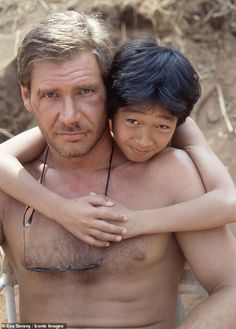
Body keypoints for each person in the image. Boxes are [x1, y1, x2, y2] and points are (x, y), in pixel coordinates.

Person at [0, 11, 236, 328]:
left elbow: (231, 287)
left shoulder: (169, 175)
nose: (69, 116)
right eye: (50, 95)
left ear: (110, 91)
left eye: (85, 91)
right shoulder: (14, 182)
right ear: (27, 97)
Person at [0, 44, 236, 246]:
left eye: (162, 127)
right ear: (110, 108)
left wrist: (139, 221)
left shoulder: (176, 121)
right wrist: (61, 210)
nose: (144, 140)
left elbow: (229, 201)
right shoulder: (79, 126)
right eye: (132, 121)